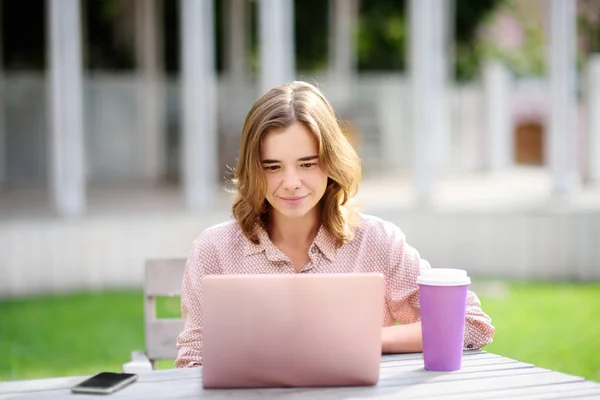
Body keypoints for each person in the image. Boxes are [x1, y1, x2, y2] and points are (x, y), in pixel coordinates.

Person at [174, 81, 495, 368]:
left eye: (307, 164)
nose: (291, 182)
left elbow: (467, 324)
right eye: (272, 166)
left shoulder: (377, 241)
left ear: (330, 162)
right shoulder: (215, 250)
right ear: (252, 170)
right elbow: (194, 358)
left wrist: (362, 341)